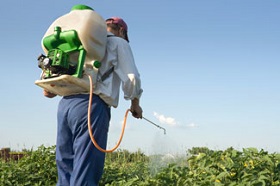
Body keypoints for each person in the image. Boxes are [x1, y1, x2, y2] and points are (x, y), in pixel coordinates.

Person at [43, 17, 143, 186]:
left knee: (66, 165)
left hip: (65, 105)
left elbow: (48, 91)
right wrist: (135, 104)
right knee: (86, 168)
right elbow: (131, 78)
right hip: (91, 105)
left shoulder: (81, 42)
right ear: (122, 31)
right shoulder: (118, 43)